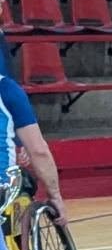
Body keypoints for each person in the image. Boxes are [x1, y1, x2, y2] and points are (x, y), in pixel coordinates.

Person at [0, 72, 67, 224]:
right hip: (2, 188)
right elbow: (38, 151)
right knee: (25, 183)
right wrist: (55, 196)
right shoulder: (6, 89)